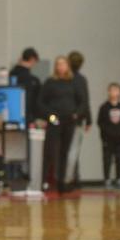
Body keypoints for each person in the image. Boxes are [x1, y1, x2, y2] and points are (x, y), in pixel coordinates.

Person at [38, 57, 87, 193]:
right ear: (55, 66)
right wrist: (50, 116)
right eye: (58, 64)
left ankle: (61, 183)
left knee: (64, 152)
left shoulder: (74, 82)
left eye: (63, 64)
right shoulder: (50, 82)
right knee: (50, 152)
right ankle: (44, 182)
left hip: (69, 121)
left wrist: (77, 114)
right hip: (55, 120)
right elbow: (40, 103)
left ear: (68, 66)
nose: (60, 66)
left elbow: (82, 101)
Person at [66, 50, 92, 188]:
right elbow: (85, 101)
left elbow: (84, 101)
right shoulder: (81, 79)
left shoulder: (68, 78)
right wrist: (88, 120)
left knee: (69, 151)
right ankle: (70, 179)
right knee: (73, 151)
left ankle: (70, 179)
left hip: (70, 118)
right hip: (76, 119)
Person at [97, 83, 120, 189]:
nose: (114, 92)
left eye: (116, 90)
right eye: (112, 90)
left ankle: (119, 179)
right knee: (107, 159)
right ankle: (107, 179)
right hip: (107, 139)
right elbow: (100, 122)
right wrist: (108, 132)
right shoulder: (104, 107)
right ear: (108, 92)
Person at [9, 47, 41, 122]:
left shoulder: (12, 75)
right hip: (28, 116)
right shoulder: (33, 80)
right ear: (32, 59)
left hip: (12, 114)